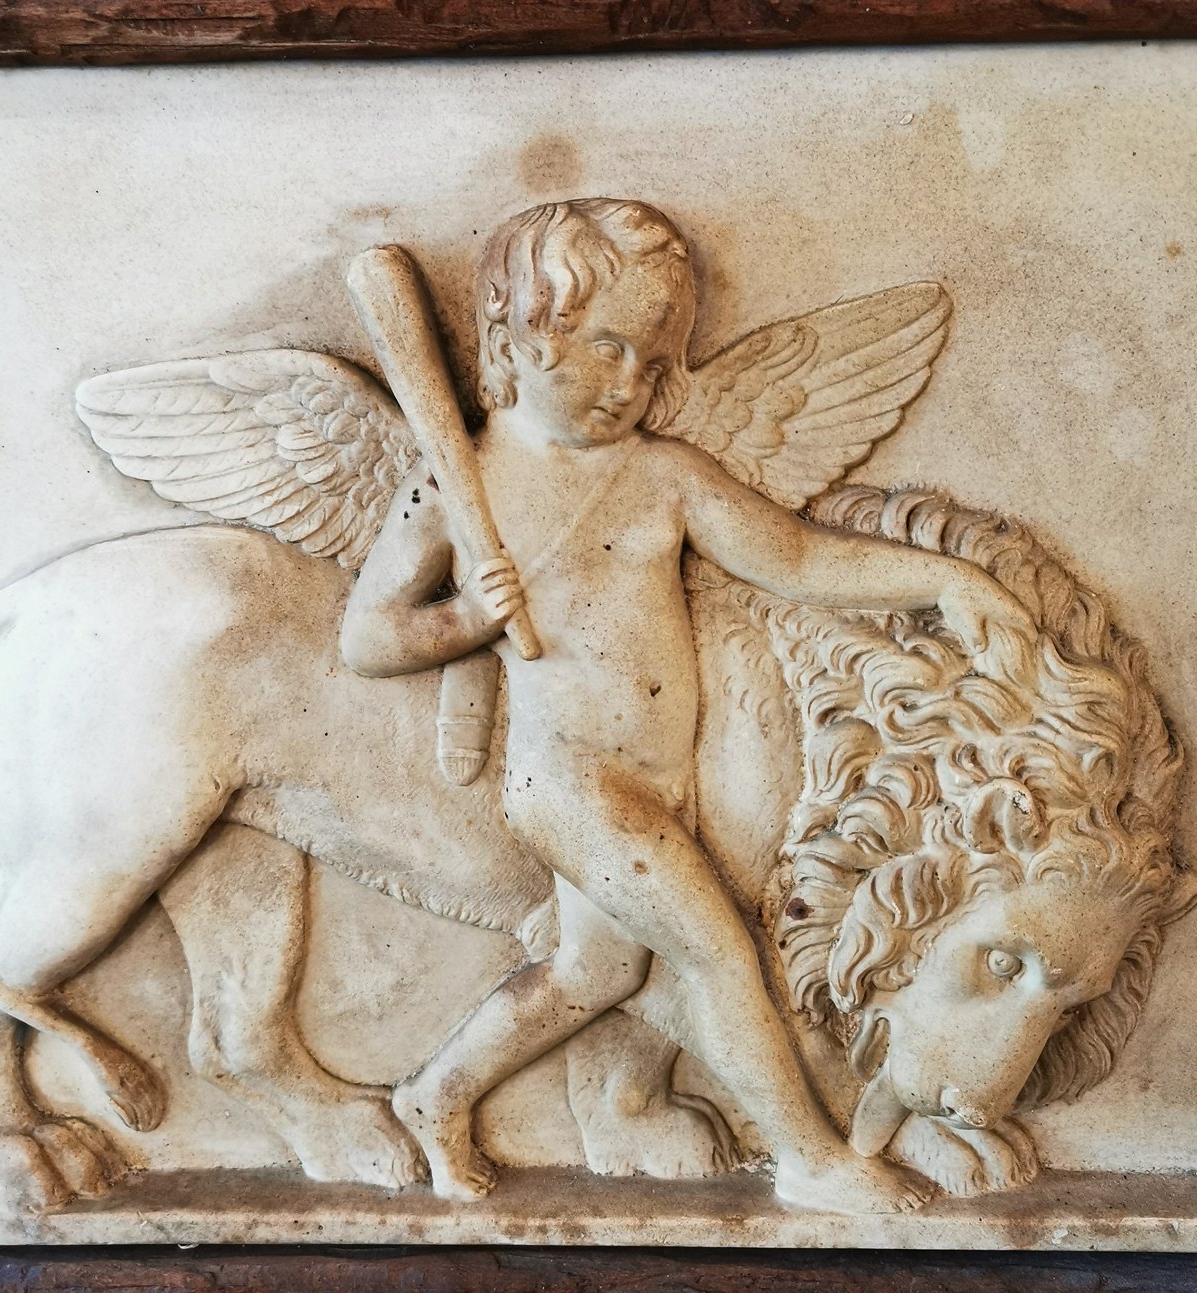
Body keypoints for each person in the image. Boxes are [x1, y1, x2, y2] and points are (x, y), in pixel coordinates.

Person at [339, 198, 1034, 1212]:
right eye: (608, 348)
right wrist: (464, 620)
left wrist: (945, 579)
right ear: (525, 333)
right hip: (571, 782)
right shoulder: (457, 489)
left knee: (594, 972)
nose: (632, 383)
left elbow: (795, 556)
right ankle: (808, 1155)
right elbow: (367, 638)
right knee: (718, 953)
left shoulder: (661, 473)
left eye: (653, 361)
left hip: (658, 778)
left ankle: (435, 1093)